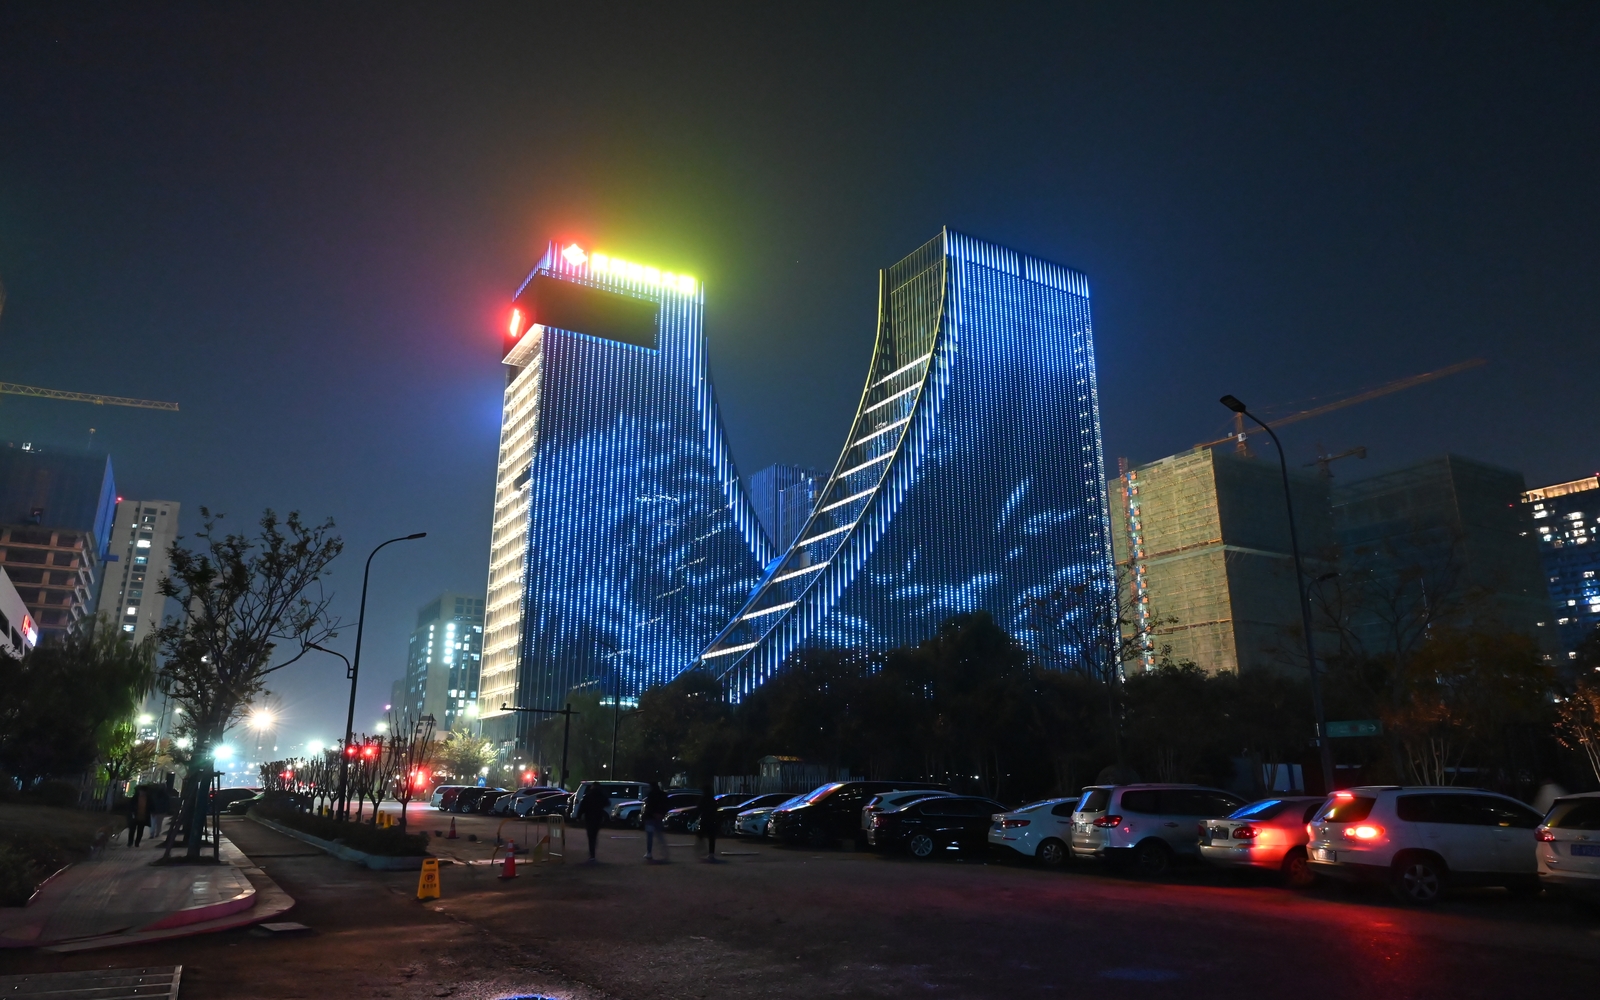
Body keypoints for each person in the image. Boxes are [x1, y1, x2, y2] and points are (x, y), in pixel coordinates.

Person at [578, 784, 611, 863]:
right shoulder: (601, 795)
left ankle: (591, 852)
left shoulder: (588, 795)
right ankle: (593, 851)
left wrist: (578, 816)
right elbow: (607, 803)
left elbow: (582, 807)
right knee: (594, 834)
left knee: (590, 835)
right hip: (598, 817)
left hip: (589, 817)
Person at [642, 781, 669, 862]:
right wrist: (661, 814)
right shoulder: (663, 794)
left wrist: (651, 814)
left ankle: (649, 852)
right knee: (659, 835)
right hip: (659, 817)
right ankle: (664, 852)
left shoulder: (651, 794)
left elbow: (649, 806)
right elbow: (666, 805)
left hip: (650, 817)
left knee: (650, 836)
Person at [698, 784, 718, 862]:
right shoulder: (712, 799)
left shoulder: (703, 799)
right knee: (711, 838)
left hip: (705, 819)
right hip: (712, 820)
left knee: (701, 835)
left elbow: (699, 808)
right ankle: (711, 853)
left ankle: (702, 850)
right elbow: (715, 808)